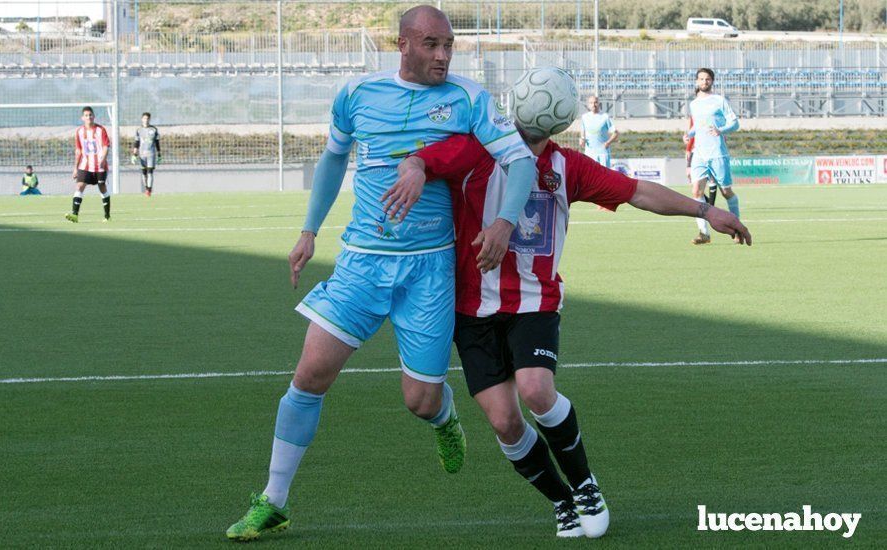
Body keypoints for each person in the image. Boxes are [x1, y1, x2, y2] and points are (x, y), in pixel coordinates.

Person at [225, 5, 537, 542]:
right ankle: (273, 500)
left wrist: (506, 222)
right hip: (361, 264)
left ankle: (444, 420)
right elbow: (331, 161)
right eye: (432, 45)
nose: (443, 56)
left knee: (420, 401)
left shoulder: (467, 99)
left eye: (449, 45)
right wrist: (308, 230)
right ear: (403, 44)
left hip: (430, 272)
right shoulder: (356, 95)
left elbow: (522, 160)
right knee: (308, 377)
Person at [386, 118, 750, 539]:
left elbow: (638, 192)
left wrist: (707, 210)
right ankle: (562, 501)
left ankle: (584, 484)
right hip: (473, 309)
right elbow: (422, 160)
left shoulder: (568, 166)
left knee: (537, 389)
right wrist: (413, 167)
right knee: (505, 422)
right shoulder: (475, 151)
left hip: (535, 303)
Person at [683, 68, 741, 245]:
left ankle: (738, 229)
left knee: (726, 192)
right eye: (701, 79)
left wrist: (720, 130)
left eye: (707, 79)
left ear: (712, 81)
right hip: (699, 154)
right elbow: (699, 126)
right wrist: (689, 134)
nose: (704, 82)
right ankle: (704, 233)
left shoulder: (719, 100)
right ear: (696, 82)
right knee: (696, 192)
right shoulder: (693, 104)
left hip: (717, 153)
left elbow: (735, 123)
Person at [65, 106, 111, 223]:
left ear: (93, 116)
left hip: (100, 166)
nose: (88, 117)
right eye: (86, 115)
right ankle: (75, 214)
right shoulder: (79, 132)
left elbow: (106, 146)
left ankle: (107, 216)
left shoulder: (101, 130)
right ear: (82, 118)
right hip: (85, 165)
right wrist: (75, 168)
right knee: (79, 186)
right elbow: (78, 150)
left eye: (90, 115)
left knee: (102, 188)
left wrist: (103, 159)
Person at [579, 95, 618, 168]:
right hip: (589, 154)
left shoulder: (605, 116)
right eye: (591, 103)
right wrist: (582, 139)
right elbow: (583, 131)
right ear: (588, 105)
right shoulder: (584, 117)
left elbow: (616, 133)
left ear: (599, 103)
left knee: (604, 177)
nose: (593, 105)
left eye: (595, 102)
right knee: (589, 177)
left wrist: (607, 143)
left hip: (602, 154)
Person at [132, 112, 161, 197]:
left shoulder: (154, 129)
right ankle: (146, 187)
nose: (146, 120)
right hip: (142, 155)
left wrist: (159, 154)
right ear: (142, 119)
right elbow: (136, 143)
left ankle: (149, 189)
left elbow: (157, 142)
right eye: (144, 118)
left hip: (151, 154)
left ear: (149, 119)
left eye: (147, 118)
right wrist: (134, 154)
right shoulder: (138, 130)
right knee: (144, 173)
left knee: (150, 172)